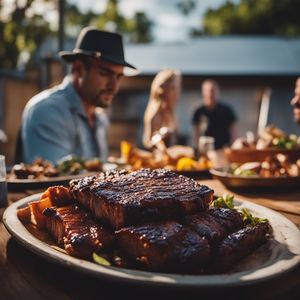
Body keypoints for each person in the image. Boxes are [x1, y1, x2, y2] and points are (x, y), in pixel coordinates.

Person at [20, 27, 137, 164]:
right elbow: (55, 180)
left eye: (118, 77)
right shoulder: (47, 111)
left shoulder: (100, 118)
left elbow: (97, 172)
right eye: (105, 73)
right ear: (79, 69)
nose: (114, 86)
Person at [192, 79, 237, 150]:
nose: (211, 93)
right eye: (208, 90)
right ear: (203, 92)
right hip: (206, 149)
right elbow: (196, 132)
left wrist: (232, 147)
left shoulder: (227, 110)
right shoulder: (198, 111)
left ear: (218, 91)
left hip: (223, 149)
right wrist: (197, 148)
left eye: (213, 90)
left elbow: (234, 132)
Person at [143, 69, 182, 149]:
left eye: (178, 87)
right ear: (165, 88)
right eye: (173, 87)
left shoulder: (172, 111)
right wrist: (159, 137)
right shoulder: (155, 113)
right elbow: (147, 143)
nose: (177, 92)